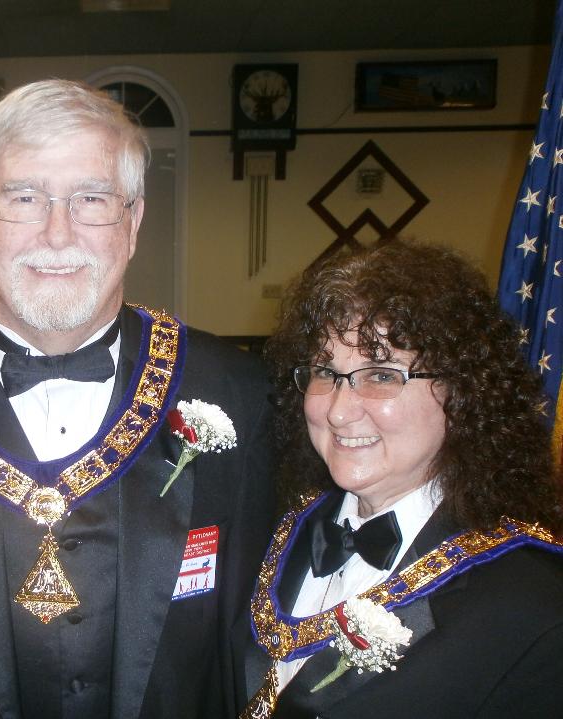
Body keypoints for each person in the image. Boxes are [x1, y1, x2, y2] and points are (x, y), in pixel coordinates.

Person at [0, 79, 276, 719]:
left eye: (91, 199)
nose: (56, 233)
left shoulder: (231, 386)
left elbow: (248, 637)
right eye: (23, 198)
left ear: (133, 222)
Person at [232, 240, 563, 718]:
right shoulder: (276, 529)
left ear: (461, 390)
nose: (339, 411)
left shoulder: (529, 605)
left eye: (382, 375)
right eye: (327, 371)